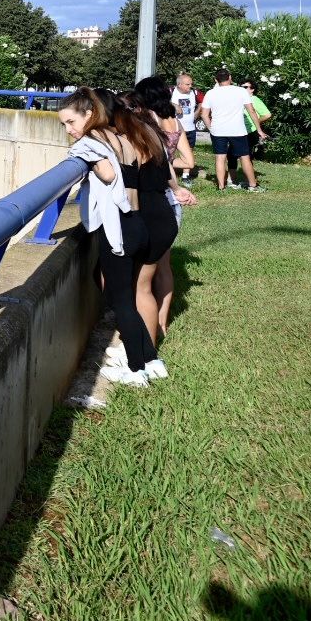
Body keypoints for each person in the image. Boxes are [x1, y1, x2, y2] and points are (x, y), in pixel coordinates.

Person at [58, 87, 175, 387]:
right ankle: (151, 359)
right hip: (137, 223)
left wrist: (84, 157)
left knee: (121, 298)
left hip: (119, 228)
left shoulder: (94, 139)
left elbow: (109, 175)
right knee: (126, 294)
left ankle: (136, 371)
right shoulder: (124, 135)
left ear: (89, 114)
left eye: (71, 122)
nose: (69, 130)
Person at [132, 78, 199, 336]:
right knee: (165, 267)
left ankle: (145, 325)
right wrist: (169, 161)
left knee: (145, 273)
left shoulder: (149, 120)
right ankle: (162, 322)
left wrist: (159, 164)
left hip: (156, 196)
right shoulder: (176, 123)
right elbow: (189, 162)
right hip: (173, 201)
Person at [200, 69, 265, 191]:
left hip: (218, 130)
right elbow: (251, 111)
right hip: (237, 130)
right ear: (230, 77)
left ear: (216, 80)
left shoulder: (210, 93)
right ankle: (253, 185)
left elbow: (204, 115)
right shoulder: (240, 91)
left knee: (220, 157)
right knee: (244, 157)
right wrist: (259, 129)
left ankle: (221, 187)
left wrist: (211, 128)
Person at [170, 73, 201, 181]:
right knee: (170, 151)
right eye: (187, 84)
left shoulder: (195, 92)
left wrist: (197, 112)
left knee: (188, 151)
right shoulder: (170, 91)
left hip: (190, 128)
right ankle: (169, 174)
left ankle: (185, 176)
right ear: (179, 84)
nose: (190, 86)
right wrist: (174, 105)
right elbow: (160, 101)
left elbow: (203, 101)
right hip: (174, 128)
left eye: (191, 84)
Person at [242, 81, 272, 158]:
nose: (242, 89)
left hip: (251, 131)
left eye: (245, 87)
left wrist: (256, 121)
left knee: (246, 155)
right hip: (242, 130)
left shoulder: (254, 100)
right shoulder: (243, 99)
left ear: (252, 89)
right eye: (241, 87)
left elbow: (267, 115)